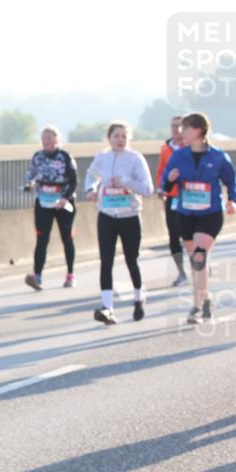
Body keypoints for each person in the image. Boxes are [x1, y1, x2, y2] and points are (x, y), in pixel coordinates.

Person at [161, 112, 236, 324]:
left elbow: (231, 180)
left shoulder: (218, 156)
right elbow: (165, 186)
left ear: (198, 131)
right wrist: (170, 179)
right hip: (186, 214)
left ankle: (196, 305)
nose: (180, 132)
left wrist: (232, 200)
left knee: (200, 256)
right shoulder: (178, 156)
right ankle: (205, 298)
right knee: (196, 260)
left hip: (210, 213)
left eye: (185, 128)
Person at [84, 122, 154, 325]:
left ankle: (138, 298)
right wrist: (90, 189)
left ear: (129, 139)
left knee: (132, 260)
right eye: (116, 136)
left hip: (130, 215)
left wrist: (126, 181)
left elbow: (148, 189)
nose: (120, 139)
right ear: (109, 138)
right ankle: (108, 308)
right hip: (106, 214)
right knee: (106, 261)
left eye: (124, 136)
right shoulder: (102, 158)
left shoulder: (136, 159)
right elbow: (91, 175)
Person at [23, 127, 78, 289]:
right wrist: (28, 184)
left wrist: (64, 198)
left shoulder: (65, 157)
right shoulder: (38, 157)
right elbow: (30, 174)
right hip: (43, 202)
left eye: (50, 137)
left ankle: (70, 274)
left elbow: (74, 181)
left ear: (57, 139)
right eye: (44, 138)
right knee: (42, 238)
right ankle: (37, 276)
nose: (46, 141)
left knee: (67, 237)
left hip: (64, 202)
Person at [155, 115, 188, 287]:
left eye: (179, 126)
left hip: (190, 197)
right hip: (172, 198)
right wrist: (161, 187)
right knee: (174, 236)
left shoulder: (191, 147)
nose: (176, 129)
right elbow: (161, 171)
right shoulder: (165, 149)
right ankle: (181, 272)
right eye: (173, 125)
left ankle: (203, 263)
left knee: (193, 235)